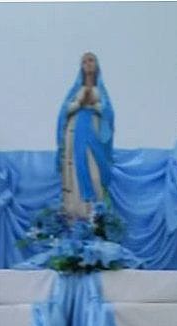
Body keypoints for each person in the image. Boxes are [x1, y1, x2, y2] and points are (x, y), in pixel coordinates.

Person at [56, 52, 115, 219]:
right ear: (81, 67)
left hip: (94, 134)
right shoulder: (76, 90)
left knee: (94, 173)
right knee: (76, 170)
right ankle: (75, 215)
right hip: (75, 134)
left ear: (97, 64)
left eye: (91, 60)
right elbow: (64, 112)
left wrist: (94, 105)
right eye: (84, 61)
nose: (88, 64)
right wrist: (80, 103)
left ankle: (95, 216)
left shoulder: (101, 91)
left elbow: (109, 114)